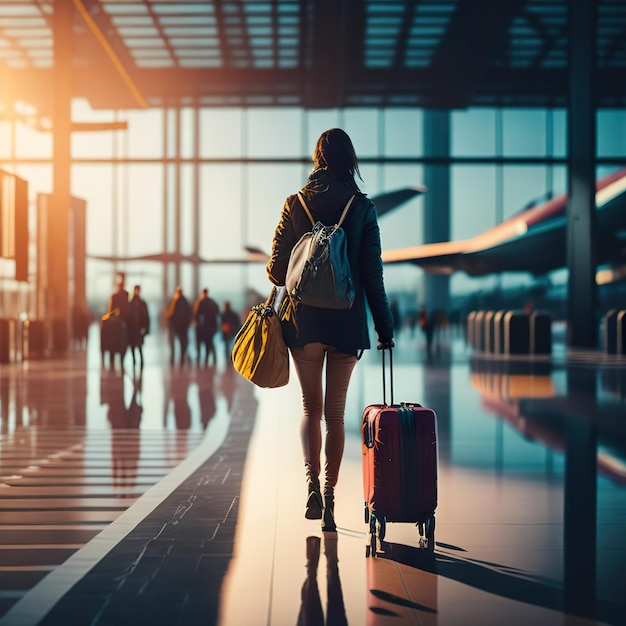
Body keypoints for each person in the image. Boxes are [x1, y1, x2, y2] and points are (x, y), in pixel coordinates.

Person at [266, 128, 394, 532]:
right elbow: (373, 275)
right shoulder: (362, 207)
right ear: (349, 160)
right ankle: (333, 495)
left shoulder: (295, 203)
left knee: (309, 408)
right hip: (347, 322)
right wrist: (384, 328)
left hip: (304, 324)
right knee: (335, 415)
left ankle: (310, 488)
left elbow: (274, 270)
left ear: (317, 158)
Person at [165, 286, 192, 366]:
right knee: (181, 344)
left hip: (179, 327)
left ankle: (178, 360)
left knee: (181, 344)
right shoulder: (178, 301)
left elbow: (169, 314)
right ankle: (178, 360)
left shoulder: (175, 301)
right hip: (178, 327)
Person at [193, 288, 220, 367]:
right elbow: (217, 313)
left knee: (204, 344)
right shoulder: (211, 302)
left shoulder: (199, 302)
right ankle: (210, 360)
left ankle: (203, 361)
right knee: (209, 344)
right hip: (210, 328)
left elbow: (196, 315)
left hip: (203, 328)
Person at [127, 285, 150, 369]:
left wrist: (146, 328)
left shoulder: (141, 303)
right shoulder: (131, 303)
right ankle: (134, 360)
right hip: (133, 329)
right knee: (133, 346)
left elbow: (146, 317)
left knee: (139, 346)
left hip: (139, 329)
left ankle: (140, 361)